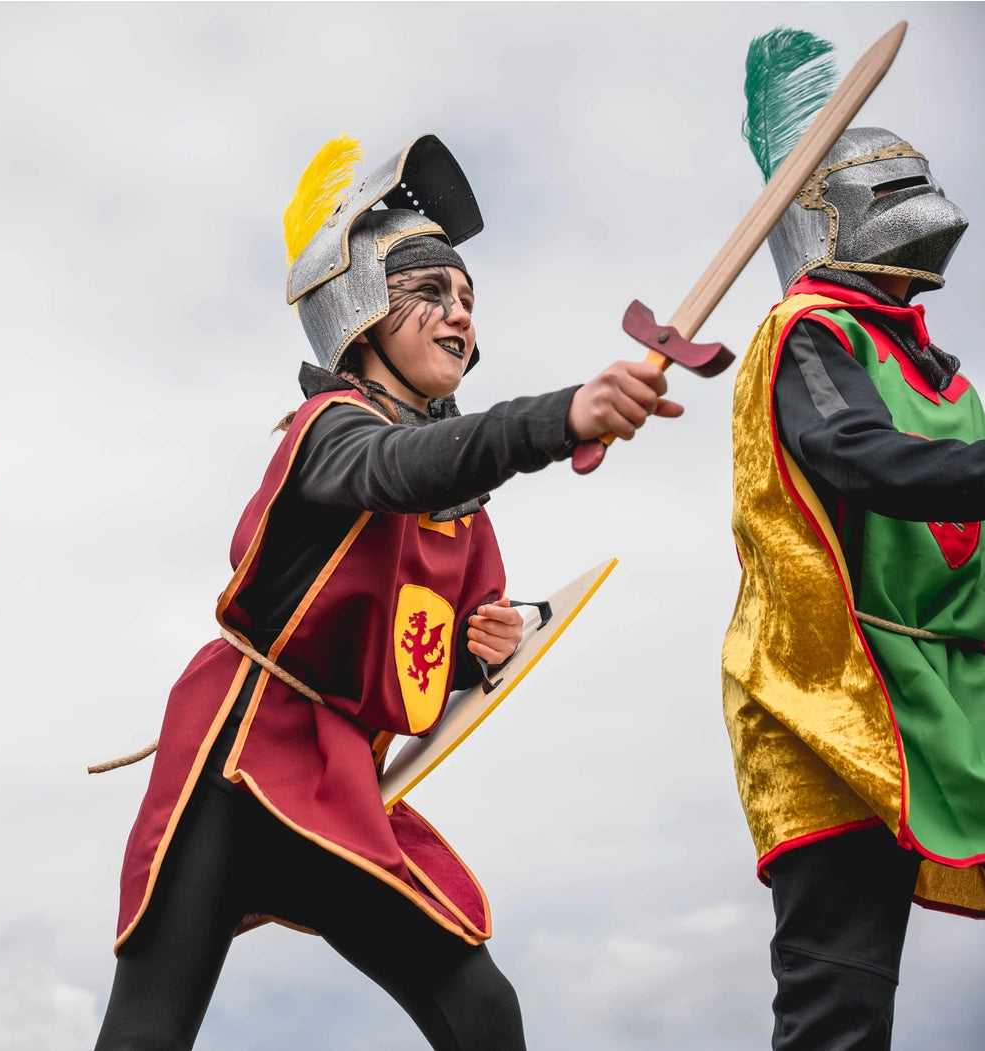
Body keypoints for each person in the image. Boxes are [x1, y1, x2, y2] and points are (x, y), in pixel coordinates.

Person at [94, 134, 681, 1051]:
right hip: (235, 760)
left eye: (469, 300)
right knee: (146, 1037)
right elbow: (399, 468)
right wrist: (559, 417)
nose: (460, 316)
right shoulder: (330, 432)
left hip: (341, 777)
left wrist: (484, 647)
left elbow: (419, 668)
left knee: (483, 1013)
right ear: (364, 311)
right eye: (432, 292)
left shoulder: (465, 514)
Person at [723, 126, 982, 1050]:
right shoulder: (807, 332)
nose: (915, 200)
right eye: (888, 185)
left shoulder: (951, 386)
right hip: (827, 701)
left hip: (949, 692)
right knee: (840, 1004)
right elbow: (857, 455)